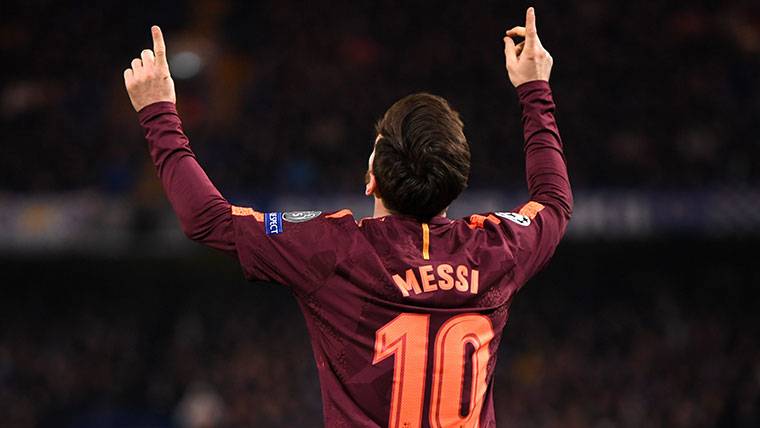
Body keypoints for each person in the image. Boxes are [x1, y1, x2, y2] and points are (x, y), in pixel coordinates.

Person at [123, 7, 571, 427]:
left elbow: (207, 219)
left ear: (371, 179)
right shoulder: (498, 250)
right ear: (457, 184)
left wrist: (158, 111)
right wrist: (534, 88)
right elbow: (553, 201)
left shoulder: (335, 249)